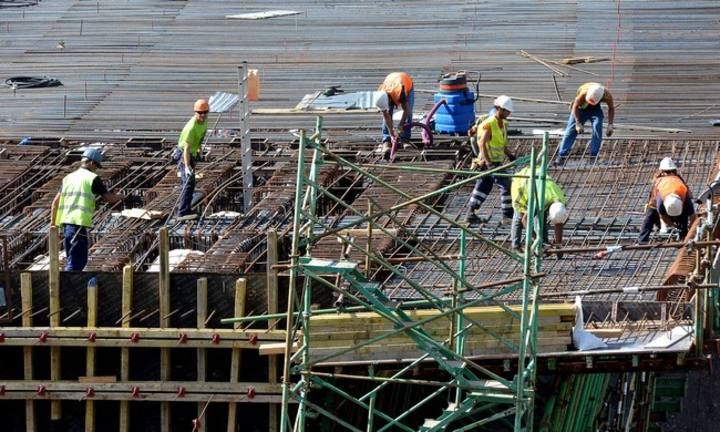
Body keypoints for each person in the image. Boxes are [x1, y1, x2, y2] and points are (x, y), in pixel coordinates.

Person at [50, 148, 123, 271]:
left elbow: (55, 203)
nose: (97, 169)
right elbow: (109, 198)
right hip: (78, 224)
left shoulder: (68, 178)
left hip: (66, 225)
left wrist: (53, 225)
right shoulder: (92, 178)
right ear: (91, 162)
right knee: (77, 261)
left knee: (72, 257)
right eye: (97, 166)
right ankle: (70, 288)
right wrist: (122, 196)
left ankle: (68, 286)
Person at [466, 95, 516, 224]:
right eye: (506, 111)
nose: (508, 113)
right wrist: (488, 163)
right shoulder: (489, 123)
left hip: (494, 161)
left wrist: (509, 154)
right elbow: (482, 143)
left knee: (483, 186)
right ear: (499, 109)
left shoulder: (503, 124)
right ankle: (508, 216)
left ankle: (470, 213)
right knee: (506, 185)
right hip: (489, 162)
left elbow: (500, 143)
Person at [638, 157, 696, 243]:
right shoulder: (660, 200)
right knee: (650, 218)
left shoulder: (684, 197)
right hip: (655, 202)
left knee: (683, 221)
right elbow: (662, 215)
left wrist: (693, 229)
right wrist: (671, 225)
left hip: (678, 202)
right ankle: (642, 241)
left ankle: (684, 238)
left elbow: (692, 216)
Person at [510, 166, 568, 250]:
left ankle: (543, 243)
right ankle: (516, 246)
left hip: (537, 182)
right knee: (519, 216)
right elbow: (525, 220)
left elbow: (559, 223)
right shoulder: (539, 201)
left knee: (541, 217)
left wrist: (559, 246)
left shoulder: (561, 202)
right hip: (521, 183)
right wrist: (537, 240)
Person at [555, 82, 615, 164]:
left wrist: (610, 124)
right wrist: (577, 123)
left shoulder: (606, 95)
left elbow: (611, 108)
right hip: (580, 108)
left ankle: (593, 156)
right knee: (571, 131)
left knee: (597, 127)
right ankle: (561, 155)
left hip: (595, 110)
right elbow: (575, 106)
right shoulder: (583, 93)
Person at [176, 98, 209, 219]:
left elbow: (200, 138)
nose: (203, 115)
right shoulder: (191, 127)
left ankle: (186, 208)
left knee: (190, 183)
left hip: (193, 153)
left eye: (205, 112)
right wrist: (187, 166)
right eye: (200, 113)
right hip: (184, 154)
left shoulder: (204, 122)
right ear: (195, 112)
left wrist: (200, 151)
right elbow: (186, 149)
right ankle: (182, 212)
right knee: (188, 183)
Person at [373, 72, 415, 158]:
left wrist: (401, 124)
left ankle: (405, 139)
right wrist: (392, 134)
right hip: (391, 80)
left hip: (406, 81)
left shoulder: (400, 92)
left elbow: (406, 110)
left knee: (409, 113)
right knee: (388, 115)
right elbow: (386, 116)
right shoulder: (380, 95)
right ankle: (387, 140)